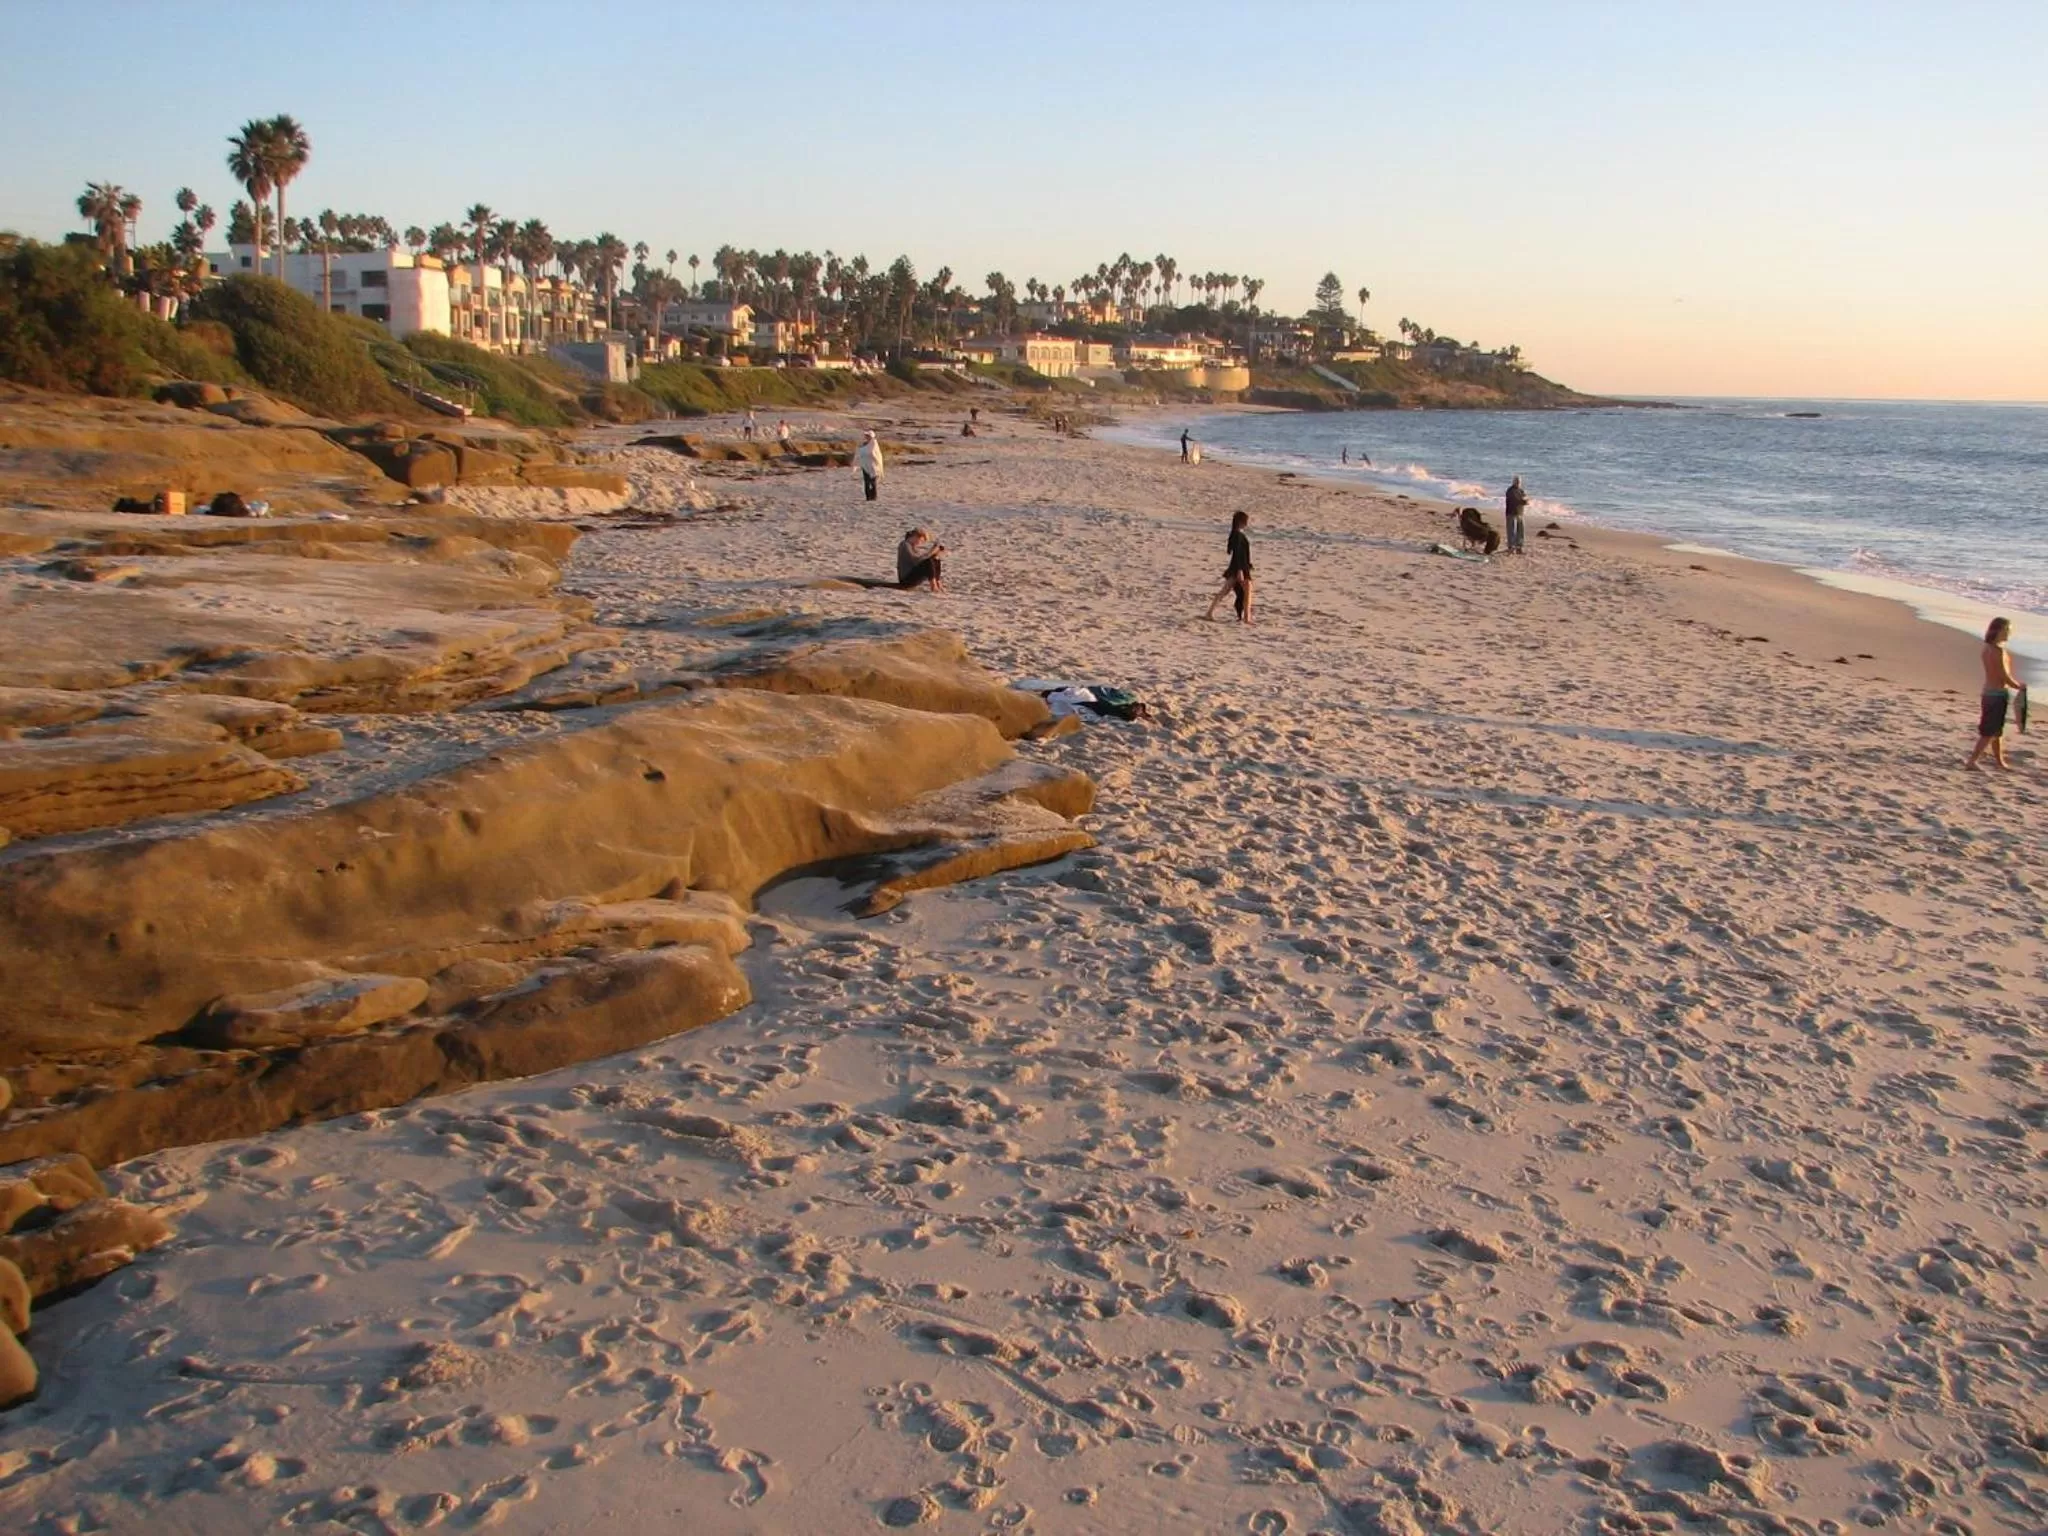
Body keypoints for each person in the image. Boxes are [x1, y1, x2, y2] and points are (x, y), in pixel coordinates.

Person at [1966, 616, 2025, 771]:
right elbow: (2003, 675)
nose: (2009, 633)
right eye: (2007, 630)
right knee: (1988, 732)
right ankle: (1972, 761)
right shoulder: (1997, 651)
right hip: (1997, 694)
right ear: (1999, 630)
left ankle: (1999, 761)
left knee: (1997, 731)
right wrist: (2018, 686)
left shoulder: (1987, 649)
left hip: (1989, 693)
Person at [1205, 510, 1254, 624]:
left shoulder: (1235, 534)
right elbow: (1237, 553)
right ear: (1242, 522)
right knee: (1247, 592)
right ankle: (1247, 618)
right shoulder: (1238, 535)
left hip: (1238, 567)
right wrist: (1240, 570)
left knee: (1224, 592)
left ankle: (1209, 612)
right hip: (1239, 568)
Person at [1504, 475, 1529, 554]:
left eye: (1519, 481)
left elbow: (1526, 498)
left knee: (1520, 531)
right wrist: (1523, 501)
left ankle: (1519, 547)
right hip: (1511, 513)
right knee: (1511, 531)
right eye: (1517, 481)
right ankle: (1511, 547)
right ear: (1513, 482)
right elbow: (1515, 500)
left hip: (1520, 513)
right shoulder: (1510, 490)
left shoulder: (1521, 490)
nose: (1518, 483)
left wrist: (1525, 500)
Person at [856, 430, 884, 501]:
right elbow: (860, 452)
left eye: (868, 436)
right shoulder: (863, 444)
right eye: (866, 436)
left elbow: (874, 453)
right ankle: (868, 497)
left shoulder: (874, 443)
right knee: (866, 481)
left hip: (873, 465)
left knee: (873, 481)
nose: (867, 437)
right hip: (865, 465)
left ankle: (874, 496)